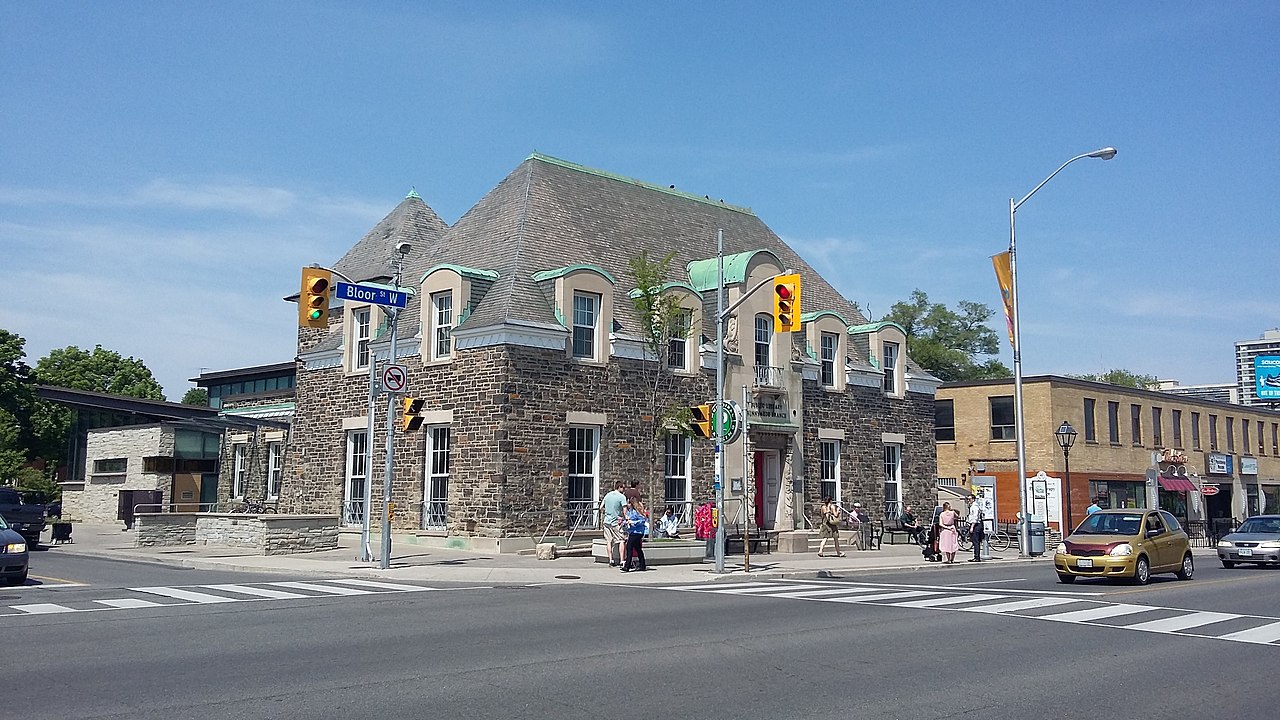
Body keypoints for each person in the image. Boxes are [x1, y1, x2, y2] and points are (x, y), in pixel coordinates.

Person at [600, 481, 627, 567]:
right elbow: (625, 510)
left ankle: (611, 560)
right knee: (621, 540)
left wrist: (608, 512)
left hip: (607, 521)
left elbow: (601, 507)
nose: (624, 489)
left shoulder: (608, 495)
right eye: (623, 487)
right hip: (616, 522)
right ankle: (622, 560)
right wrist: (626, 518)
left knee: (609, 541)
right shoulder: (622, 497)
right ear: (619, 487)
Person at [621, 497, 649, 572]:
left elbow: (642, 520)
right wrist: (624, 523)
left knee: (629, 547)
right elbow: (627, 520)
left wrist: (633, 522)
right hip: (632, 531)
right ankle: (642, 565)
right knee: (638, 548)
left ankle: (627, 566)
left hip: (638, 532)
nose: (627, 505)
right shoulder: (629, 512)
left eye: (629, 503)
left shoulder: (637, 512)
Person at [965, 493, 985, 562]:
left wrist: (972, 527)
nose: (968, 500)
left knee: (976, 542)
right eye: (967, 499)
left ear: (973, 499)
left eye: (969, 499)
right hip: (974, 525)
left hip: (976, 525)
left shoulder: (975, 507)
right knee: (974, 541)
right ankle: (976, 556)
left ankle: (977, 557)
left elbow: (975, 517)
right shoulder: (972, 506)